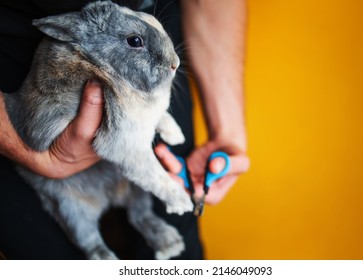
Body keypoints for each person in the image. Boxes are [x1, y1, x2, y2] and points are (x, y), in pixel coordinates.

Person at [0, 0, 249, 259]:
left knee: (178, 250)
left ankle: (146, 221)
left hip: (150, 44)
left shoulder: (161, 54)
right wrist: (19, 146)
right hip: (16, 71)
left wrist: (226, 132)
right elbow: (124, 148)